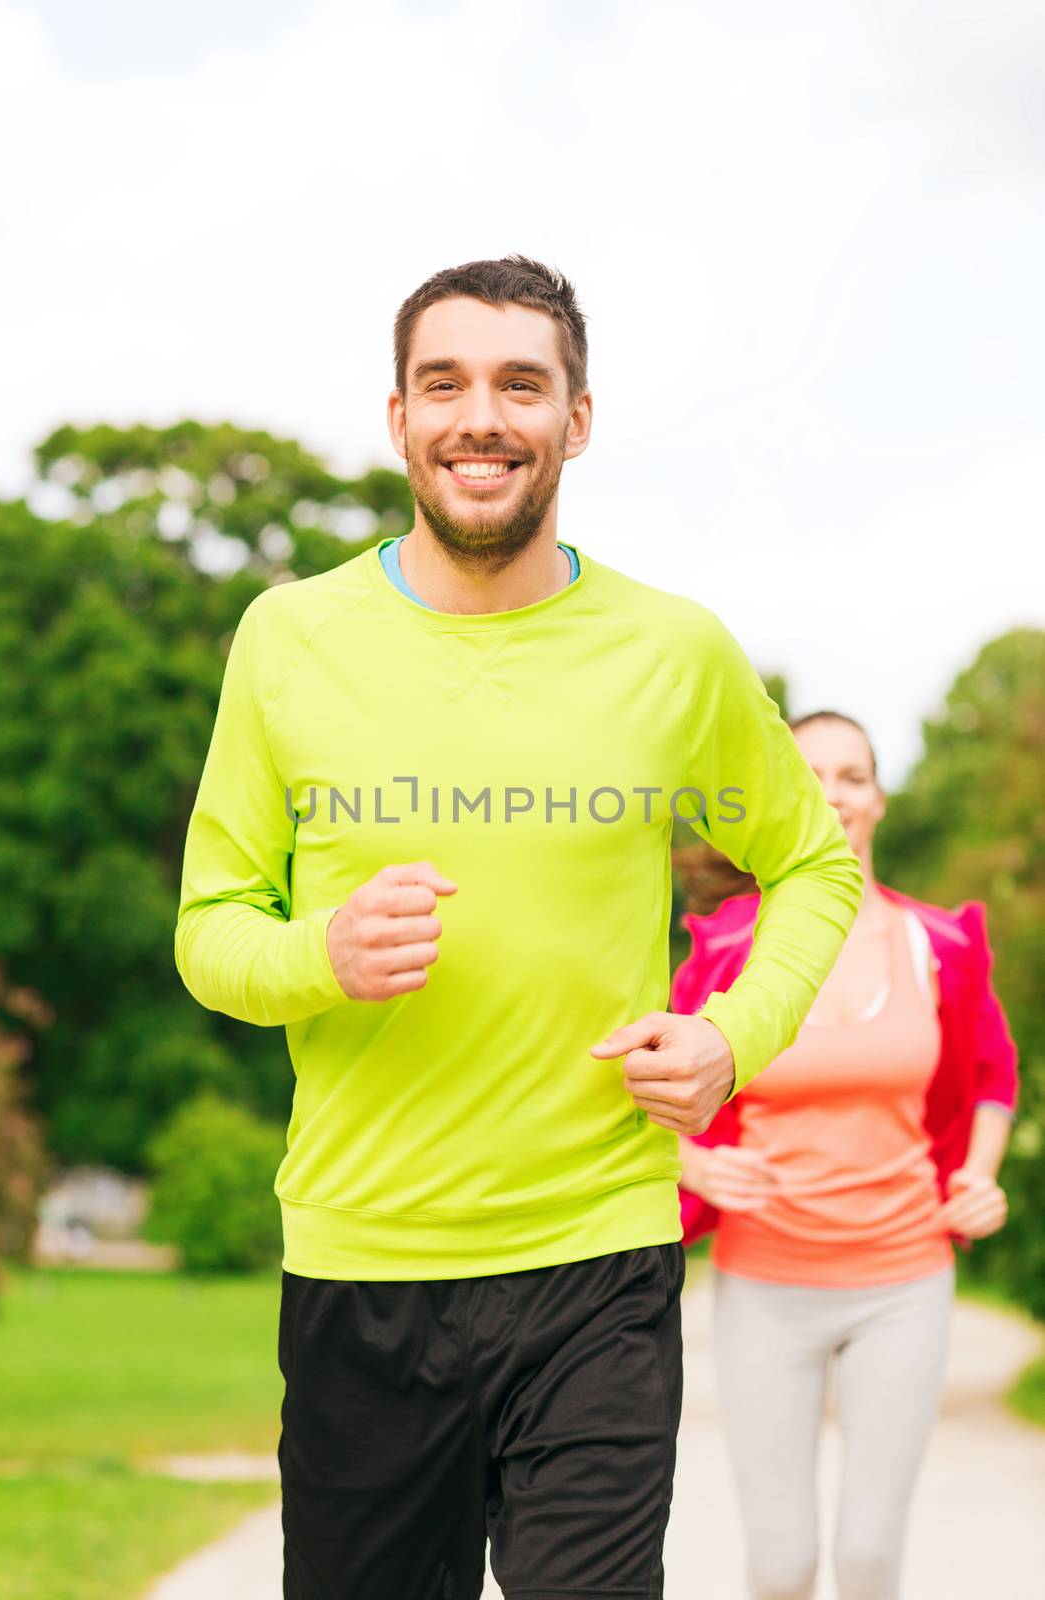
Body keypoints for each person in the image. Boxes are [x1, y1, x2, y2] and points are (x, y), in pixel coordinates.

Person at [174, 256, 864, 1600]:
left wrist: (732, 1039)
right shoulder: (289, 639)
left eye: (517, 385)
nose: (477, 416)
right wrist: (321, 954)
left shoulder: (670, 651)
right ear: (398, 416)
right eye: (445, 384)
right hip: (362, 1263)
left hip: (594, 1256)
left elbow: (807, 866)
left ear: (576, 418)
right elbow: (210, 931)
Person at [673, 710, 1018, 1600]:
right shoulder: (725, 947)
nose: (832, 793)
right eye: (810, 774)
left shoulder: (934, 944)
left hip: (904, 1281)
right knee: (782, 1563)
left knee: (868, 1558)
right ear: (780, 796)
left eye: (852, 775)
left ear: (879, 797)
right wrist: (691, 1167)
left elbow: (989, 1070)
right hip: (764, 1283)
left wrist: (978, 1173)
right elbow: (645, 1080)